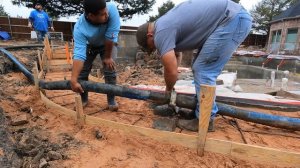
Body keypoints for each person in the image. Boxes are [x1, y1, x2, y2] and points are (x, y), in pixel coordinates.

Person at [136, 0, 252, 131]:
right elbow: (176, 56)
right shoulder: (164, 23)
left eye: (152, 46)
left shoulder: (160, 32)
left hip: (231, 19)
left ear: (149, 35)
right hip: (230, 18)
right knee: (199, 67)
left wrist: (168, 90)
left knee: (203, 70)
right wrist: (172, 82)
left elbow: (171, 71)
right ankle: (199, 111)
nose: (156, 48)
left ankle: (205, 120)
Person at [71, 0, 120, 111]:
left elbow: (111, 35)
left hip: (108, 44)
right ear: (91, 16)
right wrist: (73, 80)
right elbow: (79, 54)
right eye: (102, 14)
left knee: (110, 69)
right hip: (90, 46)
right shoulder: (79, 28)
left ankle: (111, 100)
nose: (107, 15)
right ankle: (84, 99)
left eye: (106, 11)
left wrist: (107, 57)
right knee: (82, 73)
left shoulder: (111, 9)